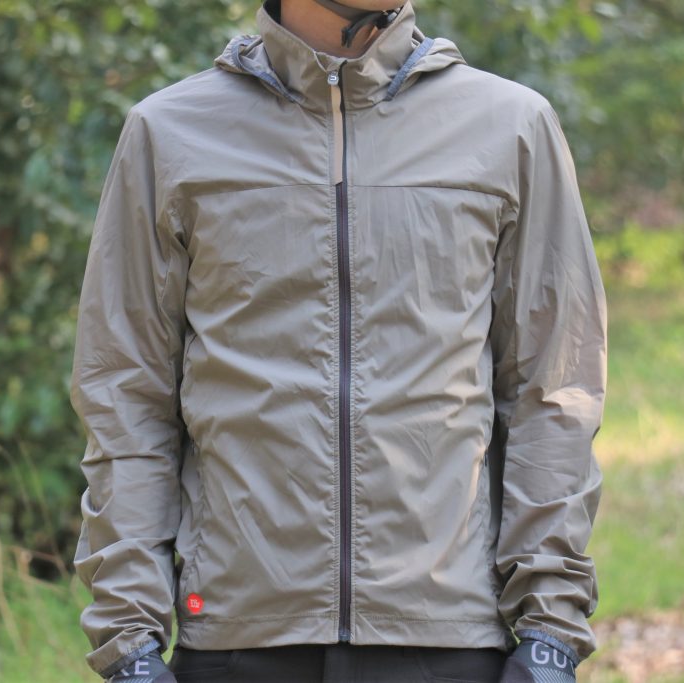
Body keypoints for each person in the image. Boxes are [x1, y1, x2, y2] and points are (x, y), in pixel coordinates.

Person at [69, 0, 607, 681]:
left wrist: (550, 629)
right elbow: (125, 392)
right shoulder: (170, 133)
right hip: (238, 635)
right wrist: (129, 642)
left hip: (447, 637)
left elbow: (552, 387)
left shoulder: (511, 126)